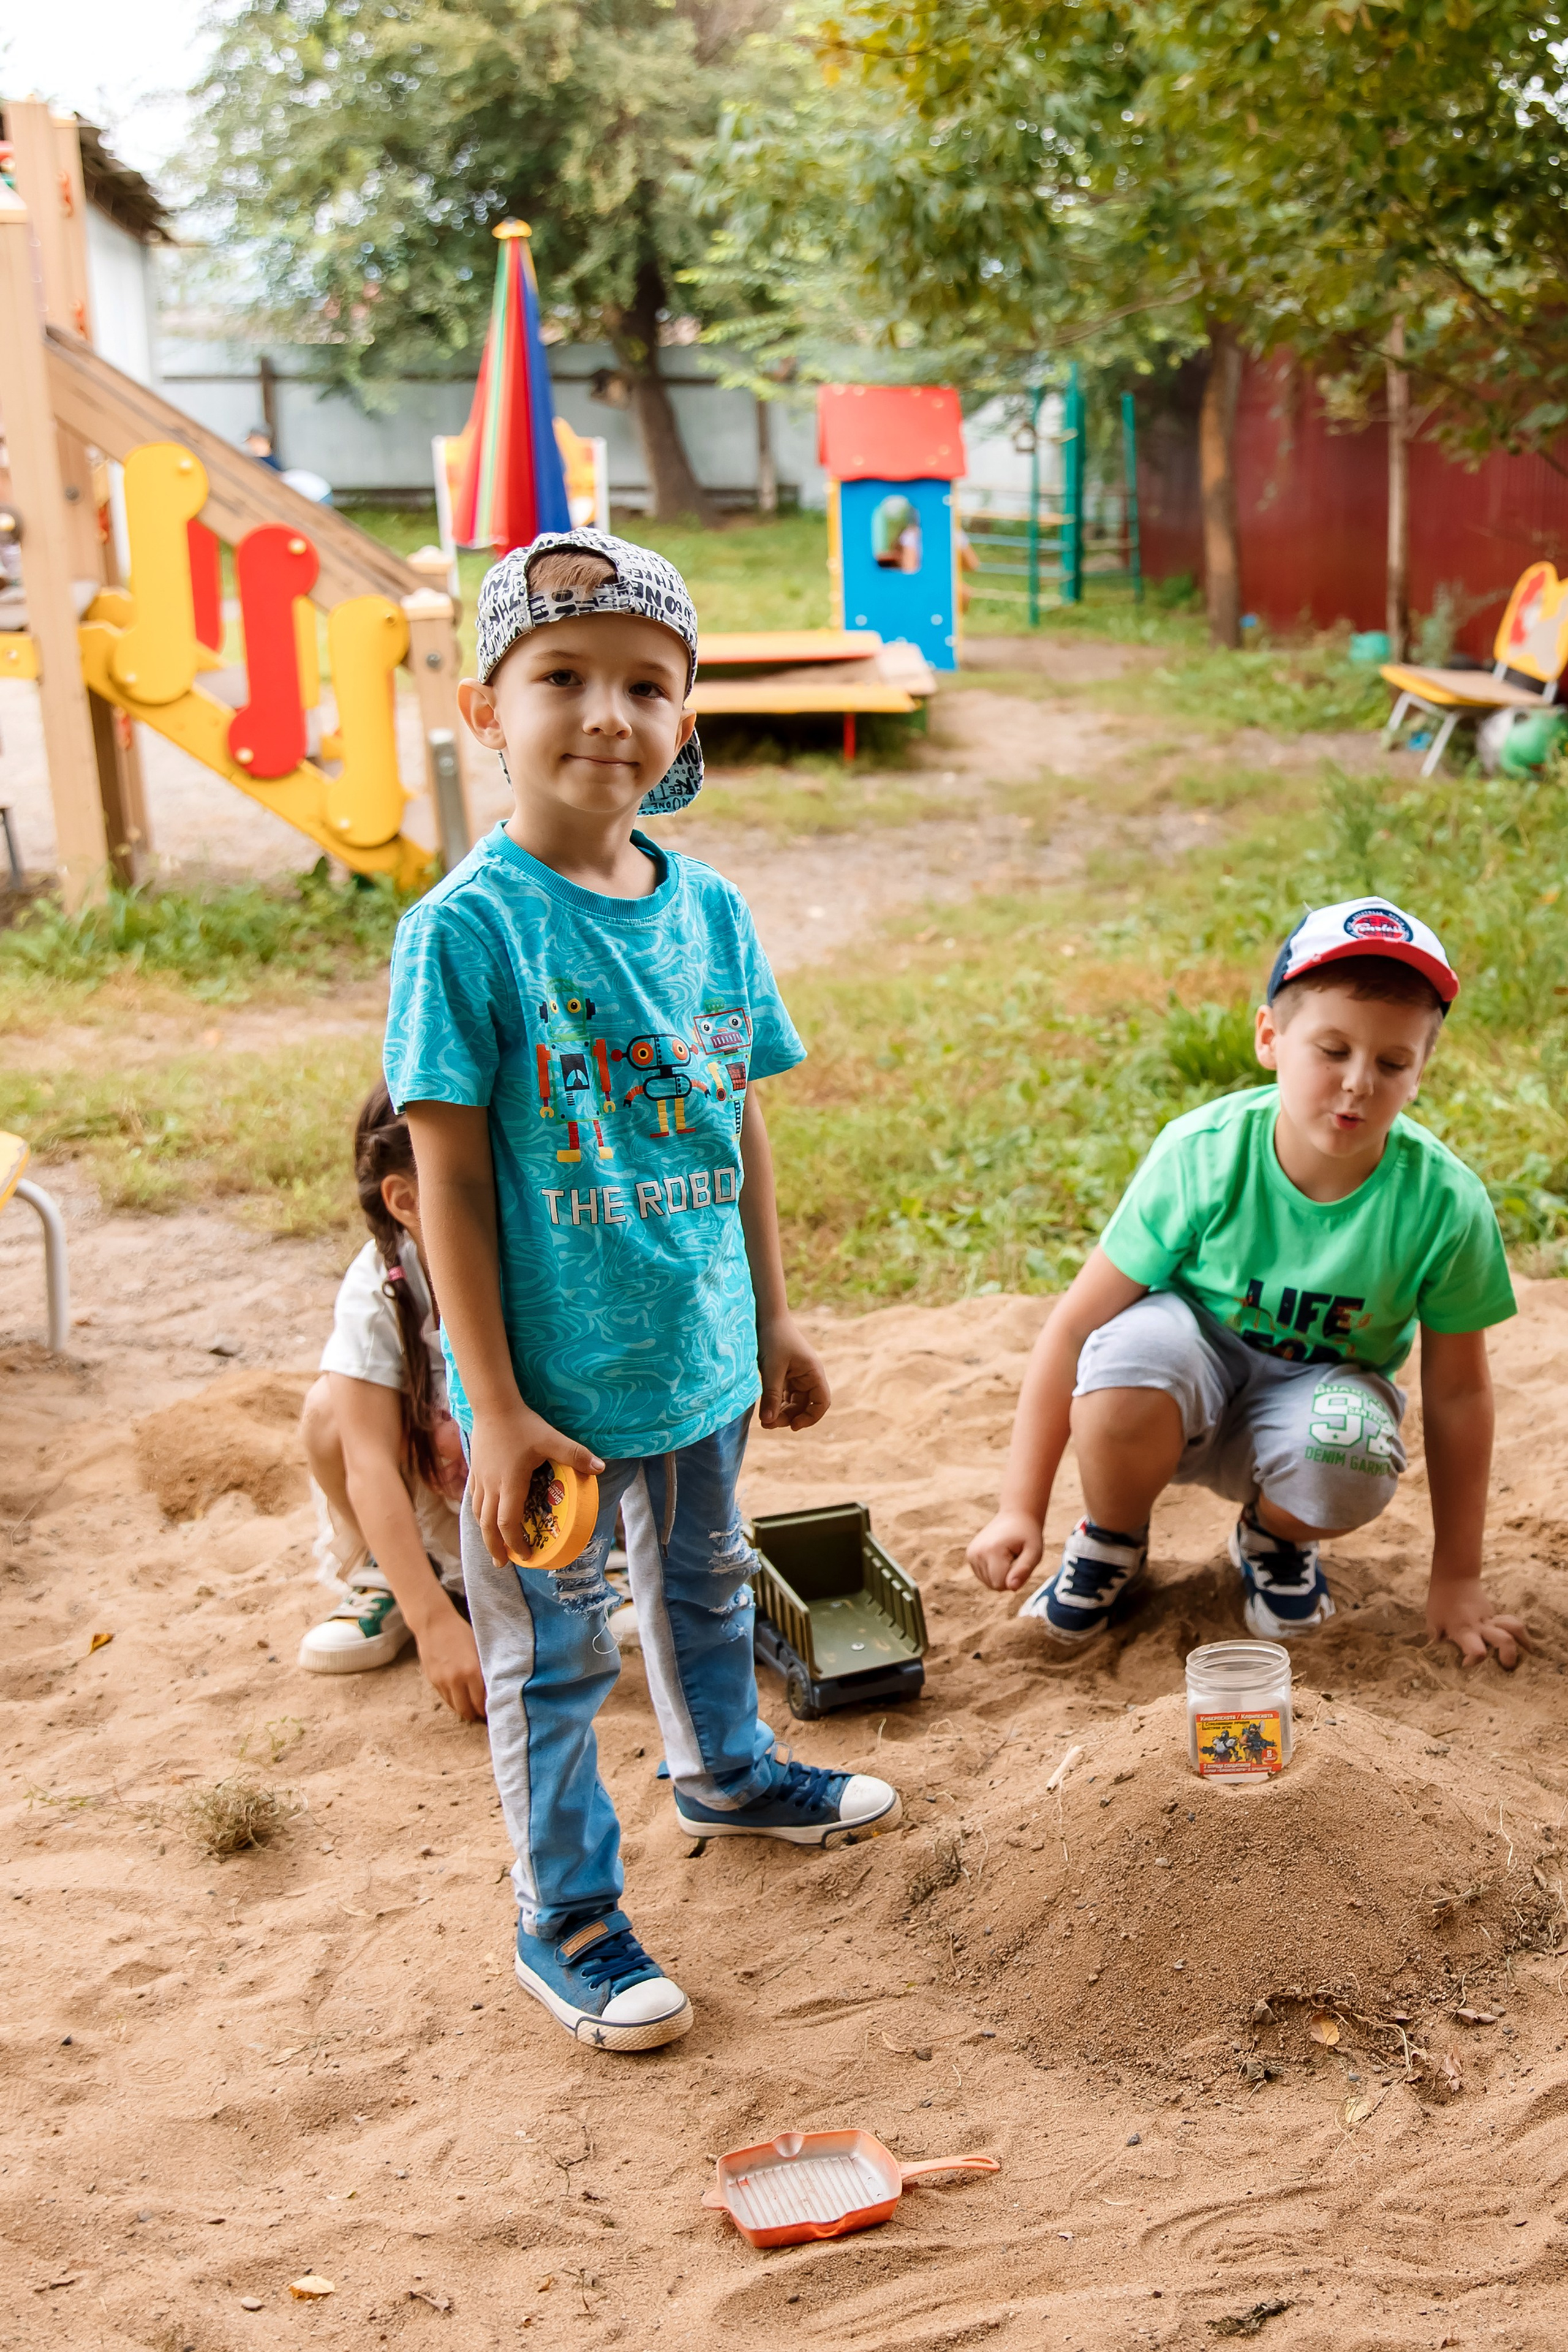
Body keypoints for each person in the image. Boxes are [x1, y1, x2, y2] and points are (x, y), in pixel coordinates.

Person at [385, 527, 900, 2053]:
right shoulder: (464, 935)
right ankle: (568, 1918)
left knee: (702, 1584)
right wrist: (494, 1405)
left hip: (694, 1349)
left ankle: (725, 1772)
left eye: (644, 684)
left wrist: (771, 1311)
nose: (605, 713)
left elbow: (736, 1109)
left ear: (683, 722)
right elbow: (454, 1188)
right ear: (486, 709)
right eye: (562, 677)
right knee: (556, 1654)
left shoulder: (711, 913)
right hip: (544, 1396)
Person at [968, 896, 1528, 1672]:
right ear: (1270, 1037)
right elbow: (1070, 1329)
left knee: (1356, 1448)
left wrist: (1457, 1577)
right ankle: (1112, 1538)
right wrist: (1018, 1508)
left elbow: (1461, 1391)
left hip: (1311, 1403)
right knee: (1131, 1351)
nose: (1358, 1083)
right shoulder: (1202, 1154)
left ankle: (1272, 1537)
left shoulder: (1443, 1202)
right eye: (1331, 1049)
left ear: (1420, 1070)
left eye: (1392, 1062)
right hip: (1182, 1389)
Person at [298, 1081, 486, 1722]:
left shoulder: (536, 1256)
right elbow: (368, 1461)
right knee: (330, 1412)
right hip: (441, 1495)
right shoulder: (380, 1284)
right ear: (406, 1200)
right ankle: (397, 1579)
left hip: (534, 1496)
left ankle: (607, 1566)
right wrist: (434, 1624)